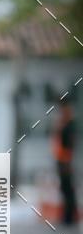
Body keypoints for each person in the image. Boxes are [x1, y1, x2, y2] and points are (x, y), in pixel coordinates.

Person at [51, 96, 78, 226]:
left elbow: (69, 144)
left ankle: (70, 217)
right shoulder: (63, 122)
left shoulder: (69, 123)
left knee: (68, 189)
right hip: (61, 158)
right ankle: (67, 215)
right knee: (64, 188)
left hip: (65, 160)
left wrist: (67, 162)